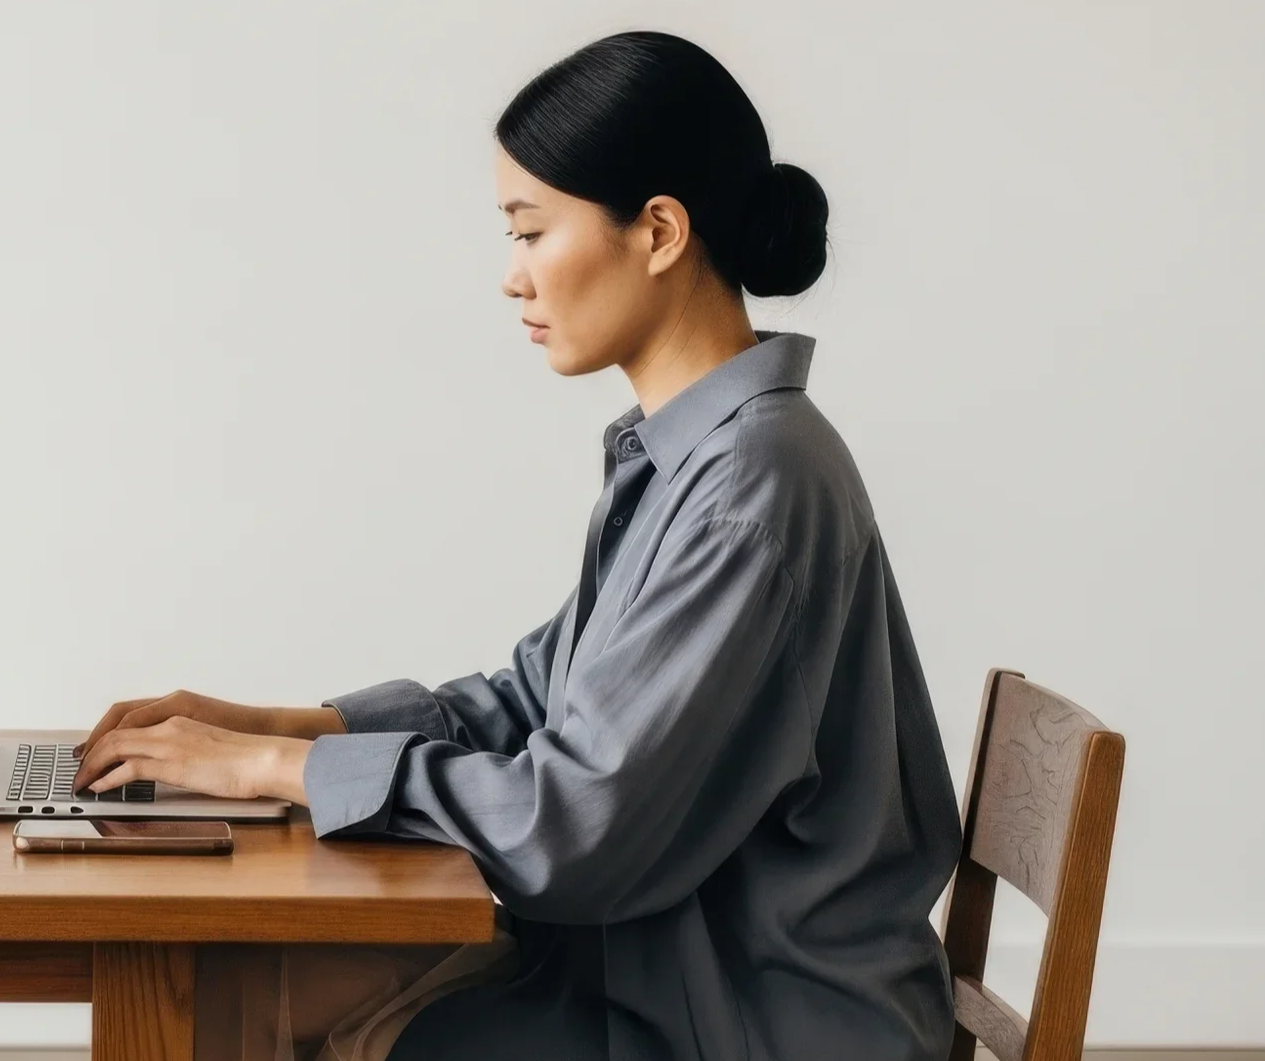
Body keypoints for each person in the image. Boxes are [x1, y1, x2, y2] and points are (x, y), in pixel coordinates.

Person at [72, 30, 963, 1061]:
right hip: (657, 973)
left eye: (531, 231)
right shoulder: (688, 457)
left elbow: (569, 830)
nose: (513, 277)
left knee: (243, 1000)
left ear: (659, 231)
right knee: (240, 989)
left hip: (741, 1020)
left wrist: (279, 765)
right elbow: (536, 699)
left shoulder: (747, 490)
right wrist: (268, 726)